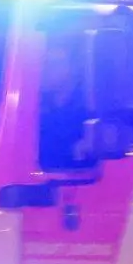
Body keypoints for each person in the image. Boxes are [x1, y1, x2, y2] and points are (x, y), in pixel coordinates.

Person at [38, 38, 93, 169]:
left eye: (53, 64)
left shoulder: (90, 107)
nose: (44, 70)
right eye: (42, 64)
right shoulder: (35, 106)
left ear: (73, 68)